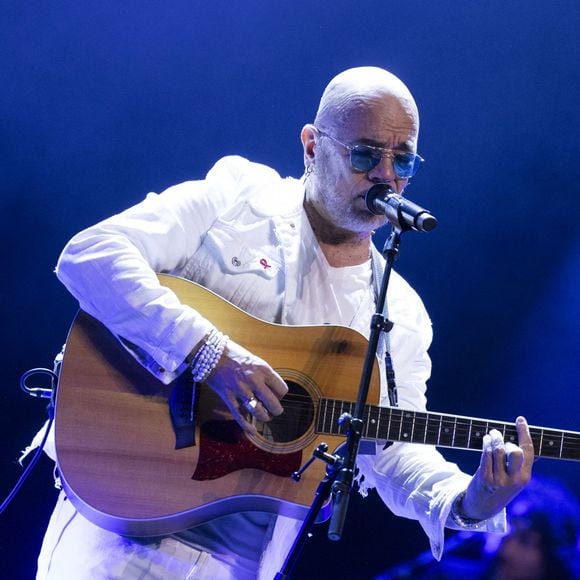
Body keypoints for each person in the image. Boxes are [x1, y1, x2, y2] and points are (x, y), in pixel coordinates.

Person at [35, 66, 535, 579]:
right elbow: (91, 256)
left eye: (403, 159)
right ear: (313, 146)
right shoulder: (236, 198)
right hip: (122, 524)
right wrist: (209, 353)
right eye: (365, 154)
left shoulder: (400, 312)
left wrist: (472, 500)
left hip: (246, 563)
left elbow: (391, 453)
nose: (386, 174)